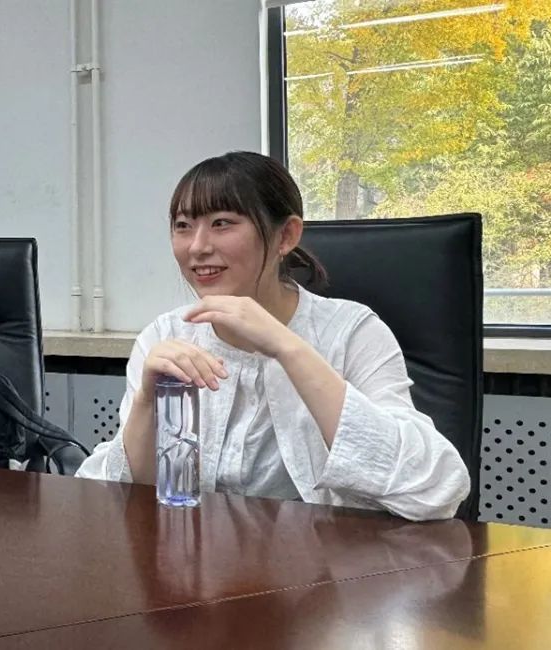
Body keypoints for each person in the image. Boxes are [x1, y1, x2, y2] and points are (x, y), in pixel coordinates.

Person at [76, 151, 469, 521]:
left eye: (222, 223)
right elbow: (121, 500)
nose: (197, 246)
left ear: (286, 236)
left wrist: (287, 346)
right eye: (183, 226)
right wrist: (147, 400)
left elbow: (437, 489)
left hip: (327, 559)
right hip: (196, 559)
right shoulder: (165, 335)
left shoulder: (353, 332)